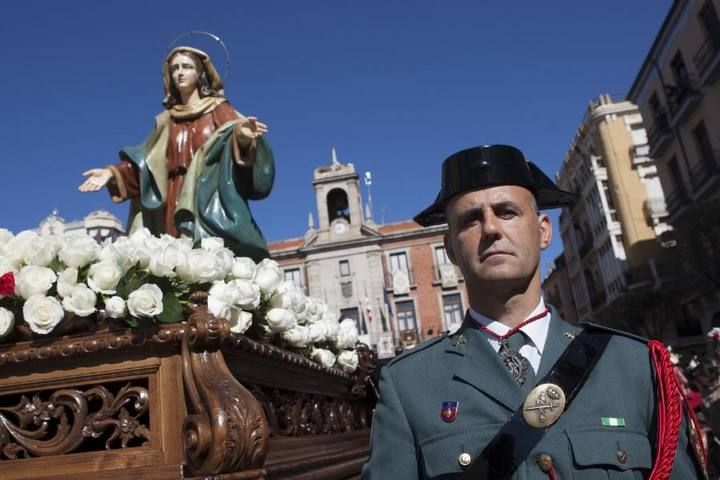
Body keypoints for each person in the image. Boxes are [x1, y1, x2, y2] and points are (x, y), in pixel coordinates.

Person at [362, 145, 706, 479]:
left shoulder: (632, 366)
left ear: (543, 231)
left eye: (507, 211)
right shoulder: (409, 385)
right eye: (470, 219)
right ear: (451, 248)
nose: (491, 228)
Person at [79, 46, 274, 261]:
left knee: (207, 260)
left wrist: (243, 138)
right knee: (174, 259)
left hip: (207, 197)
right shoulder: (166, 120)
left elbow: (233, 136)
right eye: (174, 68)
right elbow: (147, 163)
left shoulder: (218, 109)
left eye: (187, 67)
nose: (180, 73)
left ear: (200, 73)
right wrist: (112, 173)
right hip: (172, 195)